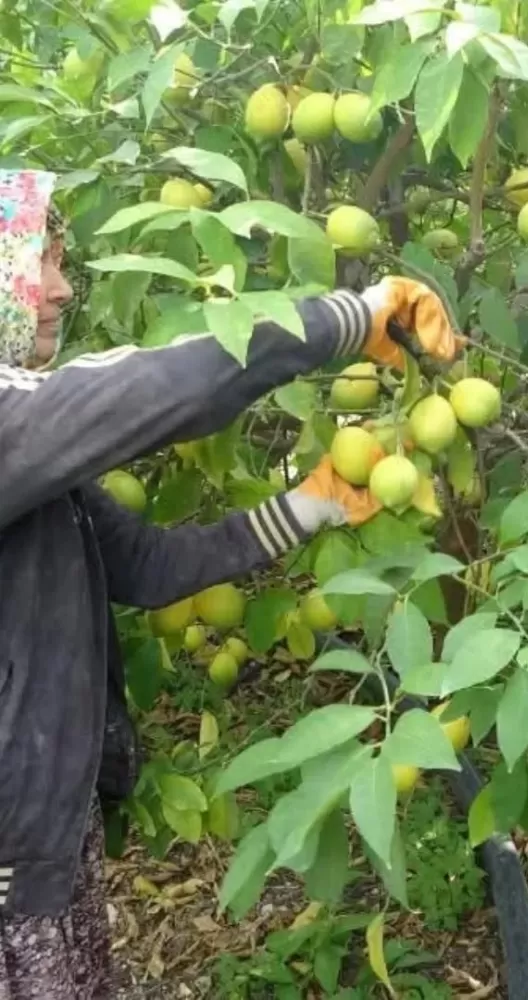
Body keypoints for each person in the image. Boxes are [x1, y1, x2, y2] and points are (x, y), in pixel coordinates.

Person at [0, 168, 461, 998]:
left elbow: (145, 566)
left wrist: (311, 505)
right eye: (39, 264)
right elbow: (158, 389)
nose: (63, 289)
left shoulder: (30, 455)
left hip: (38, 828)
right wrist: (348, 318)